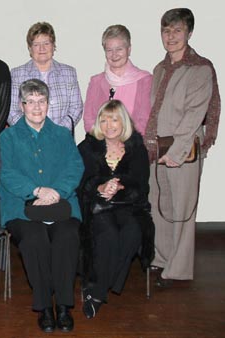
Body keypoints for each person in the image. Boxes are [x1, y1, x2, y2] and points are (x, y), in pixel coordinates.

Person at [0, 79, 83, 333]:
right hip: (21, 207)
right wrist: (35, 190)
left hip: (61, 204)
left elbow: (75, 167)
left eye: (41, 101)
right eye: (31, 102)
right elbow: (4, 172)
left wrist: (56, 192)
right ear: (22, 105)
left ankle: (65, 306)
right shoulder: (8, 137)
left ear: (48, 104)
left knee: (67, 236)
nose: (36, 107)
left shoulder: (62, 134)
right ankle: (45, 306)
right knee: (34, 239)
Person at [144, 8, 221, 287]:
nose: (171, 36)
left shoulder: (200, 68)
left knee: (182, 211)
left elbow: (194, 116)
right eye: (166, 30)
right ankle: (161, 259)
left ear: (189, 32)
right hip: (157, 150)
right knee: (159, 207)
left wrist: (176, 154)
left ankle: (177, 271)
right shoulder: (159, 68)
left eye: (177, 30)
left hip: (183, 152)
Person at [77, 99, 154, 319]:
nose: (109, 125)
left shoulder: (136, 148)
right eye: (104, 120)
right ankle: (99, 292)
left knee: (133, 233)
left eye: (114, 119)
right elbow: (80, 183)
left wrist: (119, 187)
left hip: (129, 206)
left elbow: (141, 185)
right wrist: (100, 187)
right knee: (108, 234)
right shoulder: (87, 147)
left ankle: (96, 289)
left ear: (124, 122)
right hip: (97, 206)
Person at [7, 22, 82, 131]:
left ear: (53, 46)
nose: (42, 48)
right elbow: (11, 111)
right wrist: (31, 132)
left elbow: (76, 108)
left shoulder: (69, 73)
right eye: (36, 44)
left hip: (61, 140)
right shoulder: (16, 74)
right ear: (30, 48)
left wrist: (57, 132)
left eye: (46, 43)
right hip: (27, 141)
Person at [83, 25, 152, 135]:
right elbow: (88, 119)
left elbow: (144, 120)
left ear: (129, 50)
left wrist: (121, 142)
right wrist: (104, 140)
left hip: (132, 145)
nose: (114, 55)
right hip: (100, 145)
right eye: (109, 50)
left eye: (119, 49)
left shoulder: (144, 80)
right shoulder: (95, 81)